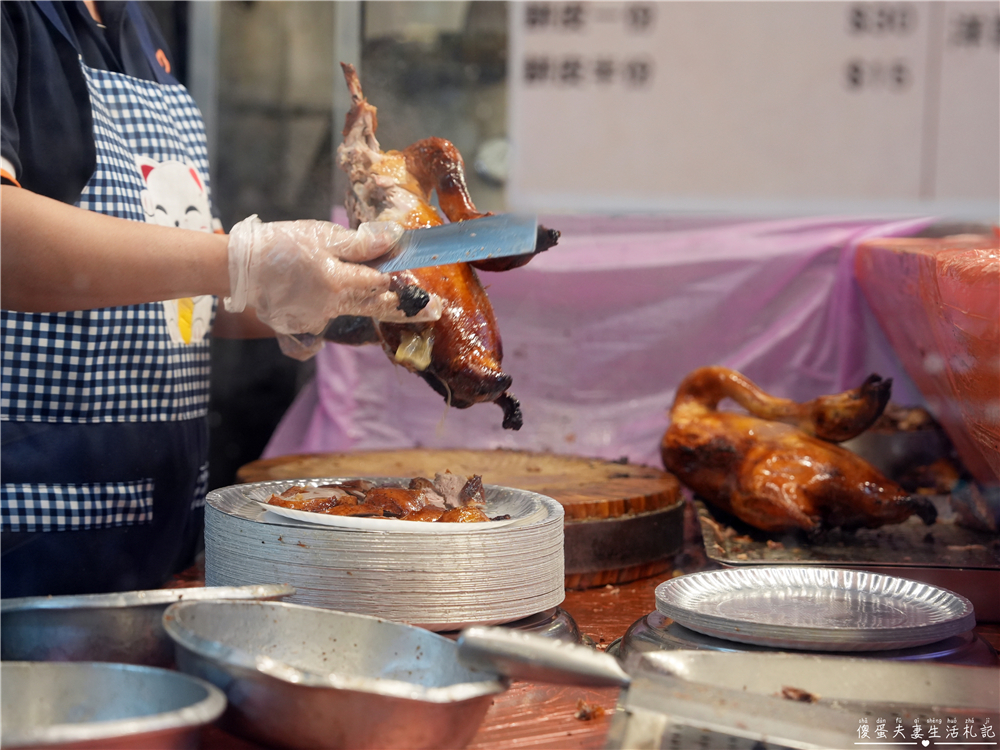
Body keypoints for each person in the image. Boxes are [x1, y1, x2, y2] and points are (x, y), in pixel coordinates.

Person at [0, 0, 440, 597]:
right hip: (26, 538)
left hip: (155, 540)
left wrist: (339, 300)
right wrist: (245, 260)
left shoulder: (135, 24)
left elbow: (185, 284)